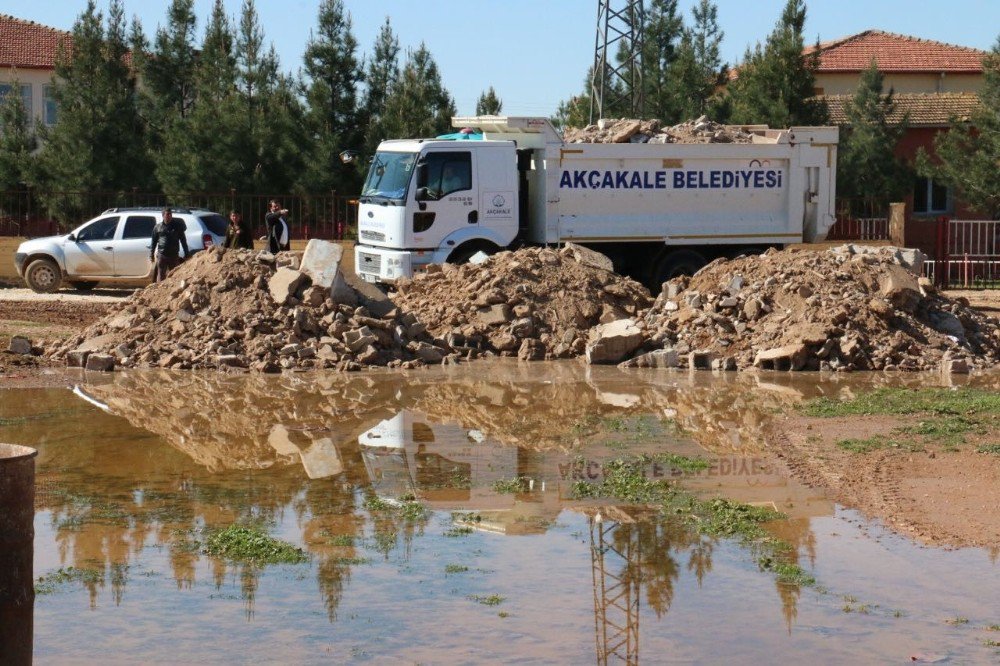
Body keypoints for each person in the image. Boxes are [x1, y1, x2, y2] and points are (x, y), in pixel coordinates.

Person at [149, 207, 189, 282]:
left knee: (175, 275)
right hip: (162, 255)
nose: (169, 216)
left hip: (173, 255)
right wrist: (151, 254)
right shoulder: (157, 227)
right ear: (163, 215)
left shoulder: (177, 226)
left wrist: (187, 253)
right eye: (167, 214)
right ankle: (160, 291)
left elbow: (183, 240)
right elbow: (153, 242)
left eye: (170, 214)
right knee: (161, 275)